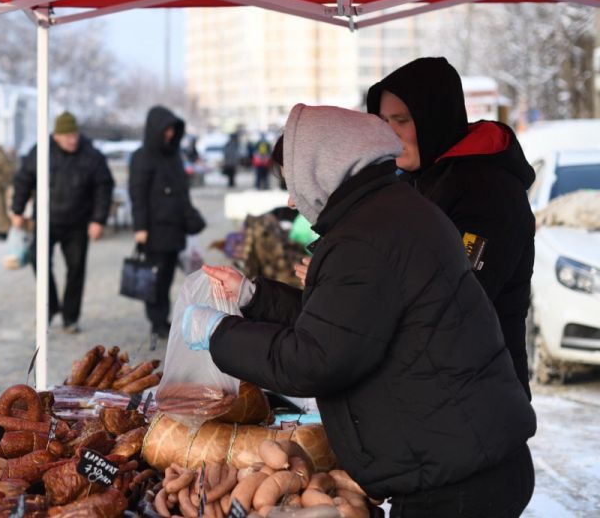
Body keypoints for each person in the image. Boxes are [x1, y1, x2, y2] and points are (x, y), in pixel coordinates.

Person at [184, 104, 536, 518]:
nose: (292, 200)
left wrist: (219, 333)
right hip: (470, 460)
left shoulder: (365, 237)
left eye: (293, 181)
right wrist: (251, 297)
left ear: (323, 167)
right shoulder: (390, 209)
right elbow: (347, 324)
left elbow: (314, 359)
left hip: (455, 481)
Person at [366, 56, 536, 398]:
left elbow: (460, 296)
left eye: (401, 120)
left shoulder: (488, 190)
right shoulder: (421, 178)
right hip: (437, 393)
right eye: (383, 120)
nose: (390, 133)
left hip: (480, 397)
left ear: (435, 120)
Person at [11, 111, 114, 333]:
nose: (72, 140)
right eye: (67, 136)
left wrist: (98, 219)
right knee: (38, 263)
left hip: (78, 222)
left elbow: (104, 187)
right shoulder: (41, 152)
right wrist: (17, 210)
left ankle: (70, 317)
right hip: (47, 220)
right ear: (56, 135)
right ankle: (49, 308)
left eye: (75, 135)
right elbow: (23, 180)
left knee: (76, 269)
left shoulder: (91, 155)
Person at [130, 106, 206, 338]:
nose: (170, 134)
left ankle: (163, 317)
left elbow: (182, 191)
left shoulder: (174, 156)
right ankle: (157, 320)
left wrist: (190, 218)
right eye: (166, 129)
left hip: (174, 227)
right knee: (155, 276)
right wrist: (140, 227)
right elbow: (138, 194)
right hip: (153, 229)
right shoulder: (142, 157)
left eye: (173, 129)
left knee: (167, 276)